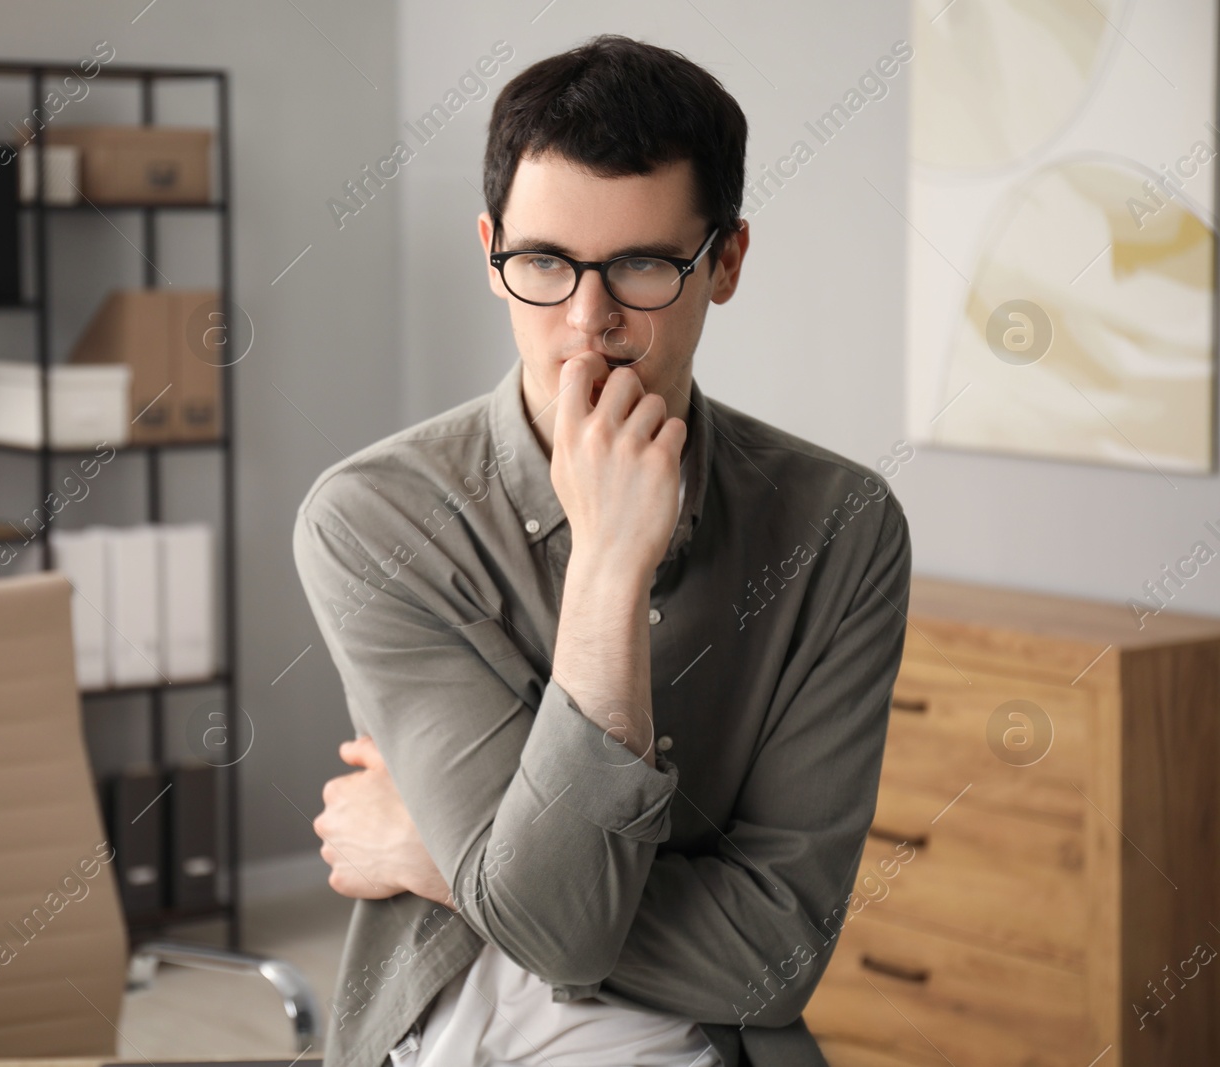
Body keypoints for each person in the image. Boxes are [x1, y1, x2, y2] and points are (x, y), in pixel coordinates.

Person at [293, 32, 911, 1067]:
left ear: (725, 262)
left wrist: (437, 855)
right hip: (442, 1030)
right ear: (491, 252)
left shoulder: (839, 526)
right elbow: (554, 924)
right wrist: (609, 569)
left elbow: (769, 955)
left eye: (640, 265)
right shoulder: (374, 518)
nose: (589, 322)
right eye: (542, 262)